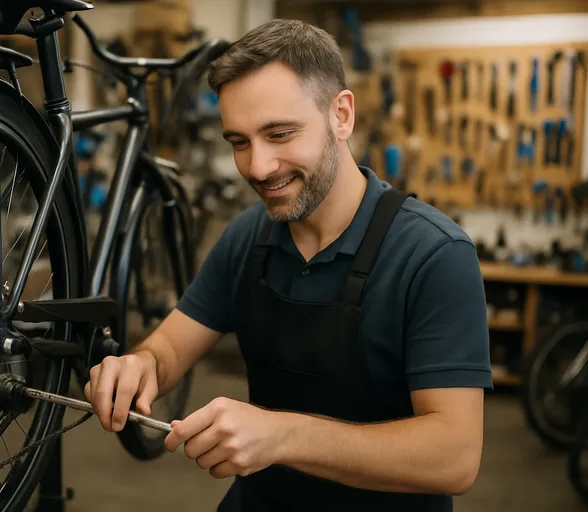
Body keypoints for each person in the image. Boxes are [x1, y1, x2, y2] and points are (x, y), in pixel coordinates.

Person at [84, 18, 492, 511]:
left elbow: (455, 457)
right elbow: (170, 345)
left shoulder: (433, 256)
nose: (257, 167)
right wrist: (140, 364)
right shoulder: (248, 237)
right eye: (239, 142)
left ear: (341, 115)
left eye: (279, 134)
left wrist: (282, 435)